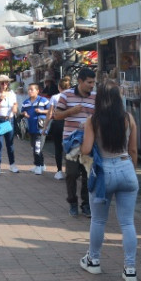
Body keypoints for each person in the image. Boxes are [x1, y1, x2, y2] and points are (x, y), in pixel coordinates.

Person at [78, 81, 139, 281]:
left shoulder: (93, 121)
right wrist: (132, 170)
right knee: (128, 222)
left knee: (98, 220)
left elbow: (86, 150)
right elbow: (133, 151)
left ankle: (93, 260)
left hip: (104, 172)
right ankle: (130, 268)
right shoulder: (128, 119)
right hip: (126, 167)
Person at [55, 68, 96, 217]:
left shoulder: (95, 97)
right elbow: (57, 115)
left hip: (89, 141)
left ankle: (86, 204)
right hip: (71, 143)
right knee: (71, 174)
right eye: (89, 82)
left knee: (87, 174)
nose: (92, 85)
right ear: (80, 81)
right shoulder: (66, 95)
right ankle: (72, 201)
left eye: (93, 82)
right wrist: (70, 112)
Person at [0, 75, 18, 176]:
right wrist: (0, 101)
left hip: (9, 120)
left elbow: (15, 103)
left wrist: (15, 108)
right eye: (2, 83)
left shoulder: (11, 93)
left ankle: (12, 164)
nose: (4, 85)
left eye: (6, 82)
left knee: (10, 144)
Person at [20, 83, 50, 174]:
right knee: (34, 147)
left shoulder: (44, 100)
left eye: (32, 89)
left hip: (41, 128)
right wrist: (24, 114)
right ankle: (41, 165)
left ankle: (38, 166)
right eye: (29, 89)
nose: (30, 91)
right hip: (31, 128)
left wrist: (41, 111)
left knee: (37, 148)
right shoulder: (26, 102)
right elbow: (22, 112)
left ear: (37, 91)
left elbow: (51, 111)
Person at [45, 77, 68, 180]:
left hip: (57, 124)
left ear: (59, 87)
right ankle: (71, 170)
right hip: (69, 124)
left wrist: (45, 127)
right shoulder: (72, 97)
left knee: (58, 148)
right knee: (70, 148)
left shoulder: (54, 97)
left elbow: (49, 114)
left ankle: (59, 171)